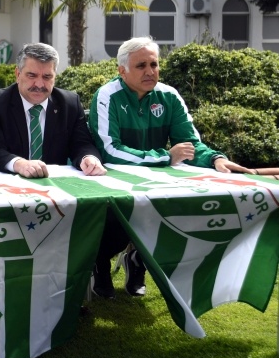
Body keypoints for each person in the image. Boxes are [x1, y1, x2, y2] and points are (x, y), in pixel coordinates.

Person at [88, 36, 253, 299]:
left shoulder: (169, 95)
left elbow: (189, 144)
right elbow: (110, 151)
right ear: (122, 71)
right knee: (118, 225)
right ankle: (100, 263)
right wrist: (165, 157)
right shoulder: (107, 95)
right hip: (113, 182)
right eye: (141, 65)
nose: (150, 71)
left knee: (176, 216)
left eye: (154, 64)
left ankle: (137, 260)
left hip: (154, 183)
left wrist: (215, 159)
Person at [0, 42, 105, 178]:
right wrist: (19, 164)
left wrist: (88, 158)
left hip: (55, 183)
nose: (39, 84)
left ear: (55, 77)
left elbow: (82, 143)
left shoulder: (69, 103)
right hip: (7, 182)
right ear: (18, 74)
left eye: (47, 77)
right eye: (32, 75)